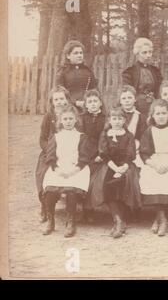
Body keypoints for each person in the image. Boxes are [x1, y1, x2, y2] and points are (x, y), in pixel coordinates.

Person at [41, 106, 94, 237]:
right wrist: (57, 169)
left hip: (77, 169)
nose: (68, 121)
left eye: (71, 118)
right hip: (58, 167)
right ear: (60, 120)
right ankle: (50, 220)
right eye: (65, 119)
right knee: (50, 190)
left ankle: (70, 221)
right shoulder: (56, 137)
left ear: (76, 120)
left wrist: (73, 172)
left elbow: (84, 158)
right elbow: (51, 156)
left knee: (71, 190)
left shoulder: (81, 137)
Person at [89, 107, 141, 238]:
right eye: (114, 119)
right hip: (110, 165)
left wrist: (123, 167)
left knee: (123, 183)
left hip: (126, 165)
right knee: (106, 184)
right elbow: (104, 154)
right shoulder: (105, 134)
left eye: (120, 119)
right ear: (109, 120)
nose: (117, 122)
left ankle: (121, 220)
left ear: (125, 120)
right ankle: (118, 220)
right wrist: (115, 168)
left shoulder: (129, 135)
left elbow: (131, 154)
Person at [139, 100, 168, 237]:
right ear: (152, 115)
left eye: (164, 113)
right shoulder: (149, 131)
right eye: (158, 113)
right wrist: (155, 165)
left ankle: (159, 219)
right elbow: (144, 153)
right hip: (154, 161)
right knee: (151, 176)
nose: (161, 116)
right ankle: (163, 220)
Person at [36, 86, 70, 223]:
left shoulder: (73, 113)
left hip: (69, 150)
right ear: (52, 102)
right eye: (56, 99)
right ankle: (45, 207)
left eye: (62, 98)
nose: (60, 102)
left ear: (67, 99)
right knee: (42, 172)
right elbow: (43, 138)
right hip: (50, 151)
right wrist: (49, 151)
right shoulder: (49, 116)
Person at [78, 89, 106, 222]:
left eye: (95, 101)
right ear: (86, 105)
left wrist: (101, 153)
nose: (93, 104)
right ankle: (86, 209)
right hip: (86, 151)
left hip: (100, 152)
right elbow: (81, 138)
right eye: (90, 102)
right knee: (84, 174)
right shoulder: (82, 118)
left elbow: (106, 137)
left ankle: (91, 206)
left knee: (96, 177)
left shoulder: (105, 118)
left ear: (100, 103)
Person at [122, 37, 163, 115]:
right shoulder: (130, 71)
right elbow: (127, 91)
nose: (148, 55)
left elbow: (160, 90)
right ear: (137, 53)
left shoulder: (155, 71)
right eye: (144, 52)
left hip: (153, 104)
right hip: (137, 106)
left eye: (150, 52)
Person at [56, 40, 97, 111]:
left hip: (87, 107)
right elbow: (60, 93)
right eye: (76, 53)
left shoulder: (88, 71)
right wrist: (75, 102)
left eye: (81, 53)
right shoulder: (63, 72)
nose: (79, 55)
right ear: (68, 56)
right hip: (69, 108)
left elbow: (93, 90)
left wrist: (89, 102)